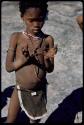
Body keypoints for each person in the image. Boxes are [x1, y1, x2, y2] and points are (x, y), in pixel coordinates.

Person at [5, 0, 58, 123]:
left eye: (40, 19)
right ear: (22, 17)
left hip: (39, 90)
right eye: (31, 20)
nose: (36, 24)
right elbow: (9, 67)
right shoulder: (16, 37)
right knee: (10, 120)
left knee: (34, 121)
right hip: (20, 89)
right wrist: (25, 59)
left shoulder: (48, 40)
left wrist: (46, 59)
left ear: (45, 17)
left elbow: (49, 69)